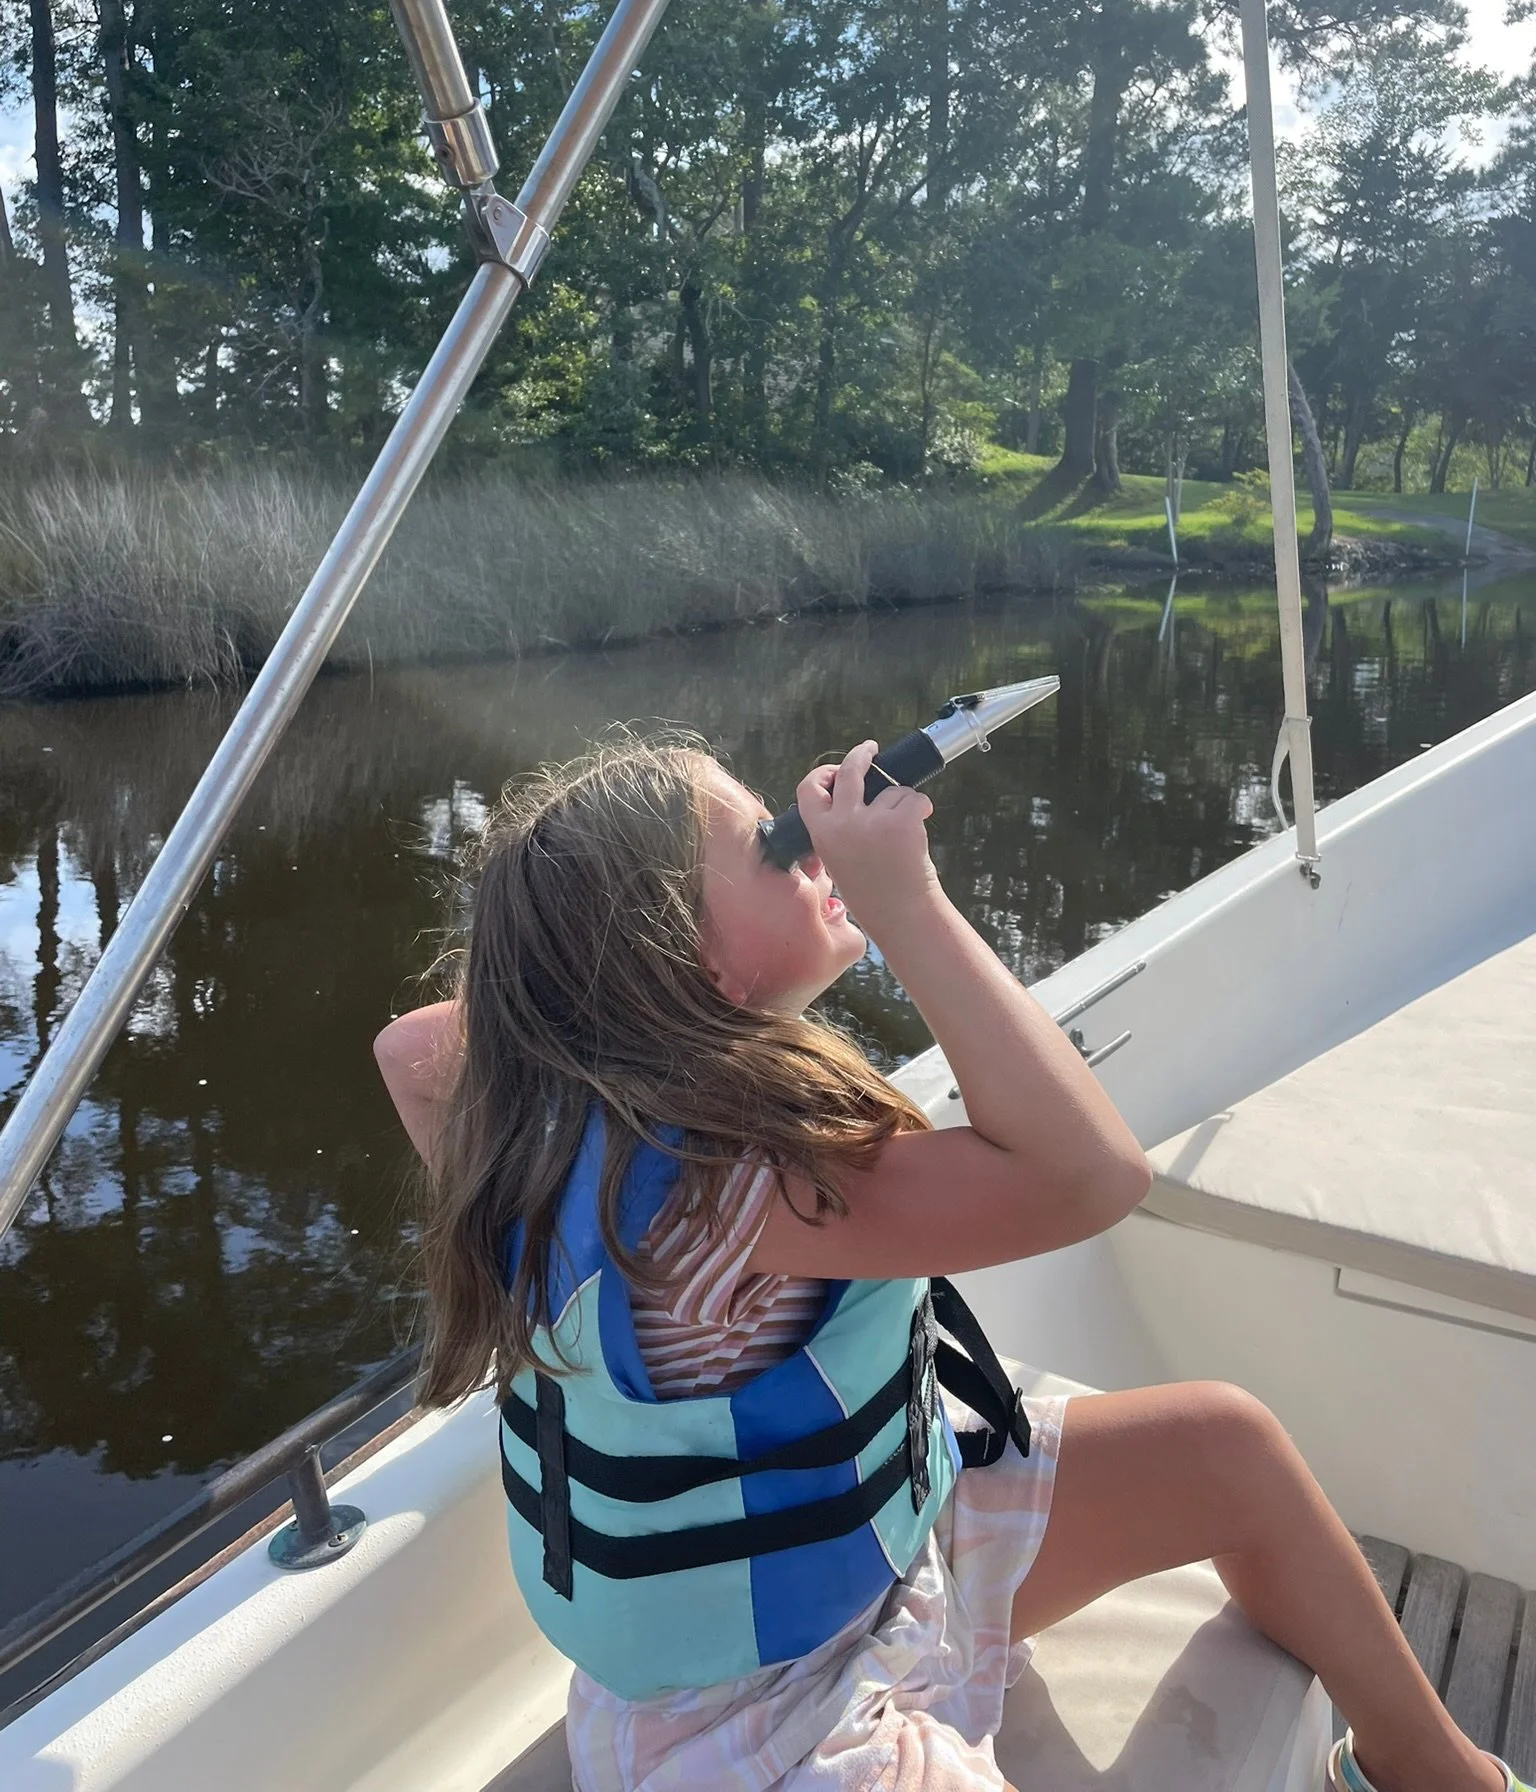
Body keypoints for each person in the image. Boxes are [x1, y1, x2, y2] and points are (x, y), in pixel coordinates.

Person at [375, 733, 1524, 1792]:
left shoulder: (529, 1122)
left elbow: (413, 1043)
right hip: (760, 1723)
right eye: (771, 847)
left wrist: (574, 990)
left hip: (899, 1553)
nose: (808, 842)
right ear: (683, 966)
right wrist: (904, 898)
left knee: (1227, 1450)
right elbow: (1090, 1174)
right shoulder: (727, 1190)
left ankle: (1434, 1768)